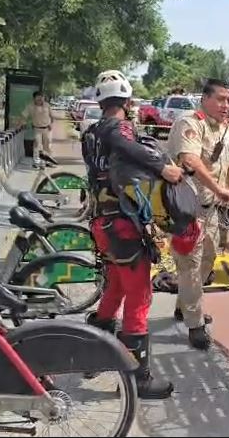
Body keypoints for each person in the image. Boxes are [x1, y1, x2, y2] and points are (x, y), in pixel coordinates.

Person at [82, 69, 184, 399]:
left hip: (103, 224)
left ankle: (93, 355)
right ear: (126, 102)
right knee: (140, 297)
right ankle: (138, 378)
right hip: (123, 227)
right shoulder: (119, 128)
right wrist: (163, 168)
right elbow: (125, 144)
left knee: (115, 287)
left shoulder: (90, 133)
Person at [167, 78, 229, 350]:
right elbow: (190, 160)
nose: (225, 105)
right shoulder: (189, 123)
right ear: (205, 99)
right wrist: (218, 188)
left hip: (212, 210)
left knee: (207, 261)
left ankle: (184, 306)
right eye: (220, 99)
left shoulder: (228, 129)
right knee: (190, 267)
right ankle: (195, 326)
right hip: (187, 210)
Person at [19, 91, 61, 168]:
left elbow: (52, 116)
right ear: (34, 98)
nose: (40, 100)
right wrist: (23, 123)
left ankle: (47, 162)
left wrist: (51, 124)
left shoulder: (47, 105)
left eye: (42, 98)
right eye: (38, 98)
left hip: (47, 129)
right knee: (37, 146)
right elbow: (23, 116)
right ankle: (36, 162)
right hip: (37, 129)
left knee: (47, 146)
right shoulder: (30, 106)